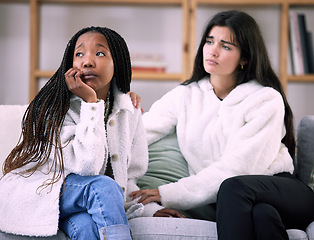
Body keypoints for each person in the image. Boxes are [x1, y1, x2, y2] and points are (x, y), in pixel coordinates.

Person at [130, 10, 314, 239]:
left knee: (233, 186)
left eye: (226, 46)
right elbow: (136, 136)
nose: (213, 50)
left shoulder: (266, 99)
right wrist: (121, 109)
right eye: (209, 41)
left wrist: (168, 193)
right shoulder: (184, 96)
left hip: (282, 191)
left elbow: (240, 169)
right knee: (263, 216)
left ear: (244, 58)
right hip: (237, 203)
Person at [0, 26, 183, 240]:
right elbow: (88, 167)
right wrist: (90, 103)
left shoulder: (128, 111)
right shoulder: (55, 108)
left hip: (77, 204)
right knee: (103, 186)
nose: (87, 61)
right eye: (79, 54)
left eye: (100, 53)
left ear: (118, 64)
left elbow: (126, 180)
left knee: (86, 226)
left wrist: (151, 210)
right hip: (39, 194)